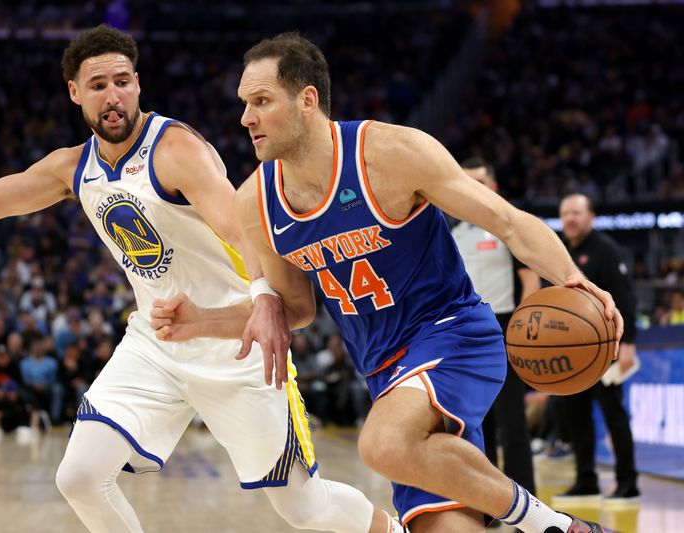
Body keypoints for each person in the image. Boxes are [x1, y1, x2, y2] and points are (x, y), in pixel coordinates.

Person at [0, 24, 401, 533]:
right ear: (74, 93)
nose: (113, 96)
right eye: (98, 85)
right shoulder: (73, 168)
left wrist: (267, 300)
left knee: (302, 508)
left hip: (233, 343)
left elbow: (246, 232)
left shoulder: (174, 150)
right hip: (157, 341)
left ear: (138, 83)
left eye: (123, 81)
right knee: (80, 476)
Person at [230, 33, 623, 533]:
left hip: (454, 334)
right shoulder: (255, 203)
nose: (246, 118)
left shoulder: (391, 154)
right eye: (245, 103)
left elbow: (506, 221)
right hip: (385, 379)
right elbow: (297, 309)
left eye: (261, 101)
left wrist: (573, 278)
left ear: (308, 100)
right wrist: (252, 301)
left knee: (381, 444)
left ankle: (555, 527)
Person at [451, 158, 538, 497]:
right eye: (467, 182)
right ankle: (489, 500)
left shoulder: (507, 227)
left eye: (480, 182)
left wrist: (525, 327)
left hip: (504, 327)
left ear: (494, 186)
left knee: (512, 419)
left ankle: (526, 499)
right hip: (466, 331)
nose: (474, 189)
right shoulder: (453, 231)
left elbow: (531, 280)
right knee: (476, 424)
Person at [554, 193, 640, 503]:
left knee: (614, 415)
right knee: (576, 416)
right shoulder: (561, 253)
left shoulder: (606, 250)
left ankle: (628, 482)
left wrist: (628, 343)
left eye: (576, 213)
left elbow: (625, 299)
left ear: (591, 217)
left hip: (607, 349)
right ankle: (586, 479)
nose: (570, 219)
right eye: (565, 214)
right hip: (572, 354)